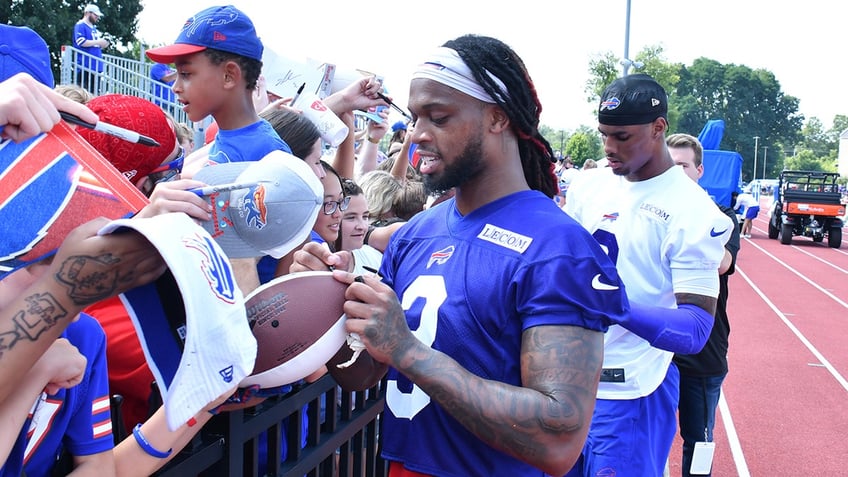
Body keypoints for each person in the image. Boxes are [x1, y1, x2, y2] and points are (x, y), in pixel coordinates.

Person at [292, 34, 629, 476]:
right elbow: (363, 374)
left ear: (497, 118)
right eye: (414, 118)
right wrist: (324, 302)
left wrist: (406, 349)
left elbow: (558, 440)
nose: (417, 134)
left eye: (439, 116)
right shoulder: (417, 233)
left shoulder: (557, 248)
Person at [564, 74, 733, 476]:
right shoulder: (588, 186)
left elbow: (694, 329)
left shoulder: (694, 210)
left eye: (622, 136)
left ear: (659, 128)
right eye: (604, 134)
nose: (609, 148)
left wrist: (616, 307)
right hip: (564, 383)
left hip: (631, 390)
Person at [667, 133, 740, 477]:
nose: (676, 172)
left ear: (699, 171)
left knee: (698, 441)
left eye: (683, 165)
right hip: (653, 347)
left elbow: (723, 262)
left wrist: (695, 213)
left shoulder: (721, 217)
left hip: (702, 352)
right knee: (643, 434)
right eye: (670, 165)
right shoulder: (653, 214)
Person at [145, 4, 291, 174]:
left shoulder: (270, 154)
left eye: (185, 74)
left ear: (228, 76)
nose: (175, 88)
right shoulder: (228, 136)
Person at [73, 4, 109, 94]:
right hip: (85, 66)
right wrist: (98, 42)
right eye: (95, 15)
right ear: (88, 13)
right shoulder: (80, 25)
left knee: (94, 93)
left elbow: (94, 44)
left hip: (94, 66)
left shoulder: (93, 28)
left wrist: (103, 44)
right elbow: (80, 41)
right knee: (85, 93)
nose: (97, 17)